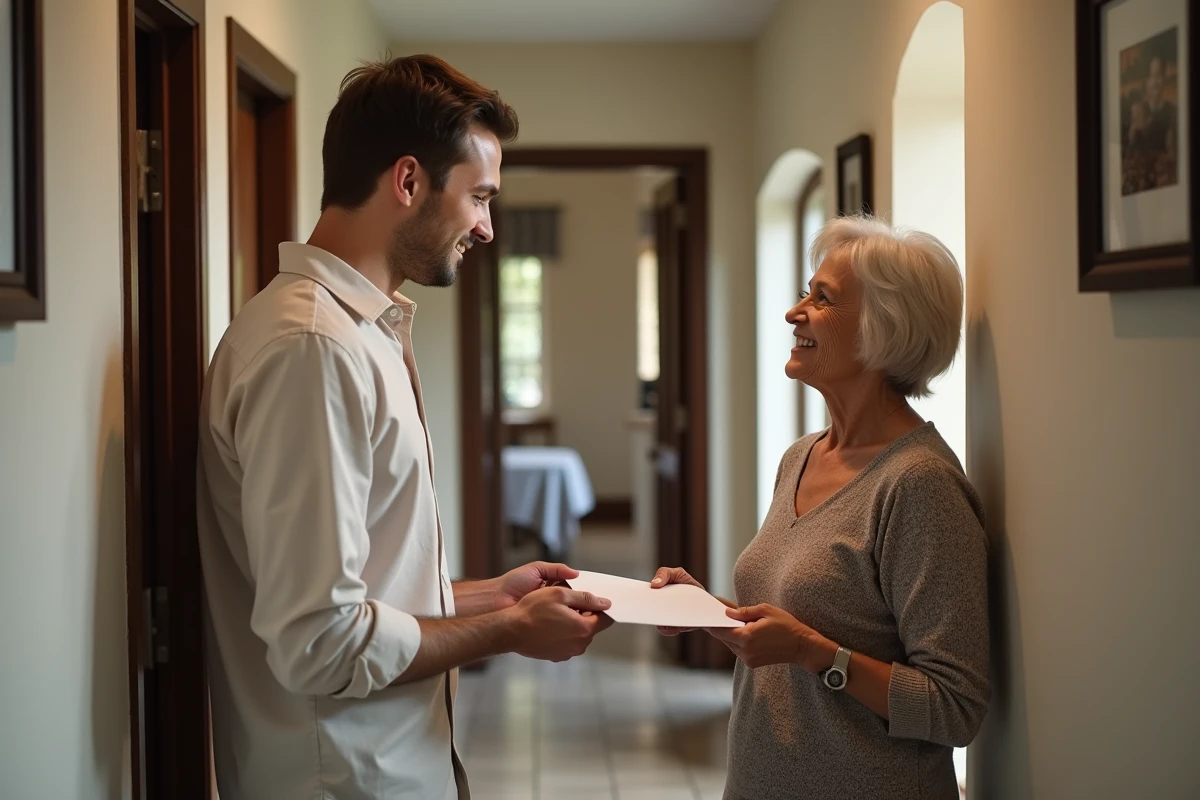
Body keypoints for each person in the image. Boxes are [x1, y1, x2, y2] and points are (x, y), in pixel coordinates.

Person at [196, 55, 612, 800]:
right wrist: (511, 632)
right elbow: (320, 644)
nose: (486, 227)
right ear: (409, 181)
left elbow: (363, 584)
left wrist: (494, 596)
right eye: (479, 197)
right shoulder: (312, 350)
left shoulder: (362, 335)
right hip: (344, 779)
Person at [652, 216, 989, 799]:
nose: (794, 311)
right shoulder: (802, 457)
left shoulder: (920, 485)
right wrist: (714, 612)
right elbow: (795, 620)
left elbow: (954, 708)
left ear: (884, 328)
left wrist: (813, 652)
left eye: (822, 298)